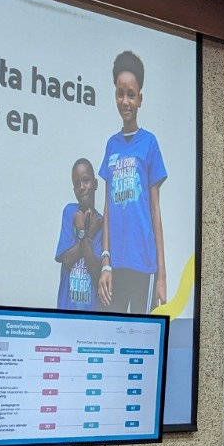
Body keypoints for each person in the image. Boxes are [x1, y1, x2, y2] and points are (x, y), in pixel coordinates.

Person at [96, 51, 168, 314]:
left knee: (139, 342)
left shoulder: (149, 143)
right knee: (110, 339)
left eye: (131, 94)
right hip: (115, 265)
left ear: (140, 99)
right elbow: (107, 208)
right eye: (119, 93)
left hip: (143, 264)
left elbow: (155, 212)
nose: (125, 101)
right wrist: (105, 262)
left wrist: (161, 275)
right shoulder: (111, 145)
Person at [54, 158, 103, 311]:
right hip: (66, 311)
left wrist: (83, 232)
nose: (82, 187)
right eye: (77, 184)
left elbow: (96, 272)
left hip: (92, 315)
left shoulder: (102, 224)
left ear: (95, 184)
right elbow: (67, 260)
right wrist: (85, 233)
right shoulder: (70, 213)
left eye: (86, 180)